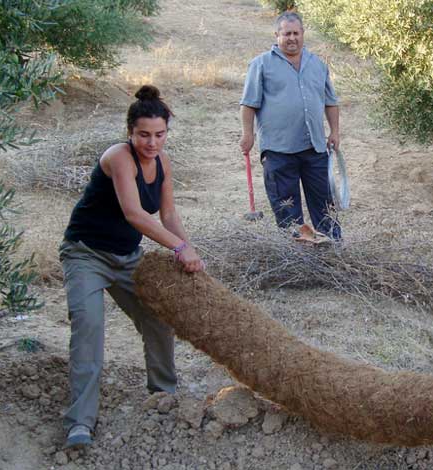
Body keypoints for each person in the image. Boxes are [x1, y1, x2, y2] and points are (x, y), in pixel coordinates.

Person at [59, 85, 204, 448]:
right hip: (86, 255)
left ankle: (164, 393)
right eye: (144, 135)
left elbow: (168, 213)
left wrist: (188, 248)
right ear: (130, 132)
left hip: (127, 258)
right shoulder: (118, 157)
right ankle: (80, 423)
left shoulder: (163, 162)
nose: (152, 143)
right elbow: (134, 213)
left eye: (159, 135)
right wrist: (179, 247)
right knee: (90, 330)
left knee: (157, 318)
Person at [238, 11, 342, 240]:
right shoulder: (261, 64)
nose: (292, 38)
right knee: (288, 213)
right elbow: (248, 104)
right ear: (277, 35)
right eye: (287, 34)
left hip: (314, 148)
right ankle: (296, 262)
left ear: (303, 34)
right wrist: (248, 134)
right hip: (279, 151)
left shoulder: (318, 65)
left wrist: (334, 131)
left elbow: (331, 102)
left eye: (296, 33)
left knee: (325, 206)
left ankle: (333, 254)